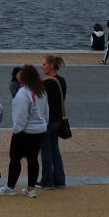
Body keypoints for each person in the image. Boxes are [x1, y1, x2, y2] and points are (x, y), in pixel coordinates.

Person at [0, 64, 49, 198]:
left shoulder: (23, 93)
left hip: (25, 131)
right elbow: (46, 111)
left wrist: (17, 130)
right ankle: (31, 189)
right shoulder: (41, 91)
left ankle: (10, 187)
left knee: (15, 158)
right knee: (33, 159)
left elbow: (20, 116)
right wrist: (43, 124)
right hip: (39, 130)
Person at [39, 56, 68, 189]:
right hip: (58, 120)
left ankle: (47, 180)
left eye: (44, 64)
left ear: (51, 66)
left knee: (46, 151)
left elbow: (41, 103)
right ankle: (60, 179)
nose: (42, 67)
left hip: (48, 121)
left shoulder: (47, 83)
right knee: (55, 150)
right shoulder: (62, 80)